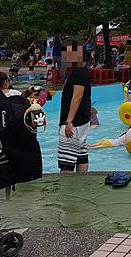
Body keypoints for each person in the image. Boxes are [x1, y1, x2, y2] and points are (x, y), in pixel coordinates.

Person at [58, 42, 92, 173]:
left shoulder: (79, 72)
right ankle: (81, 183)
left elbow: (77, 96)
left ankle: (66, 189)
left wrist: (69, 121)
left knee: (66, 162)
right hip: (80, 120)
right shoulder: (77, 71)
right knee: (80, 154)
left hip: (75, 122)